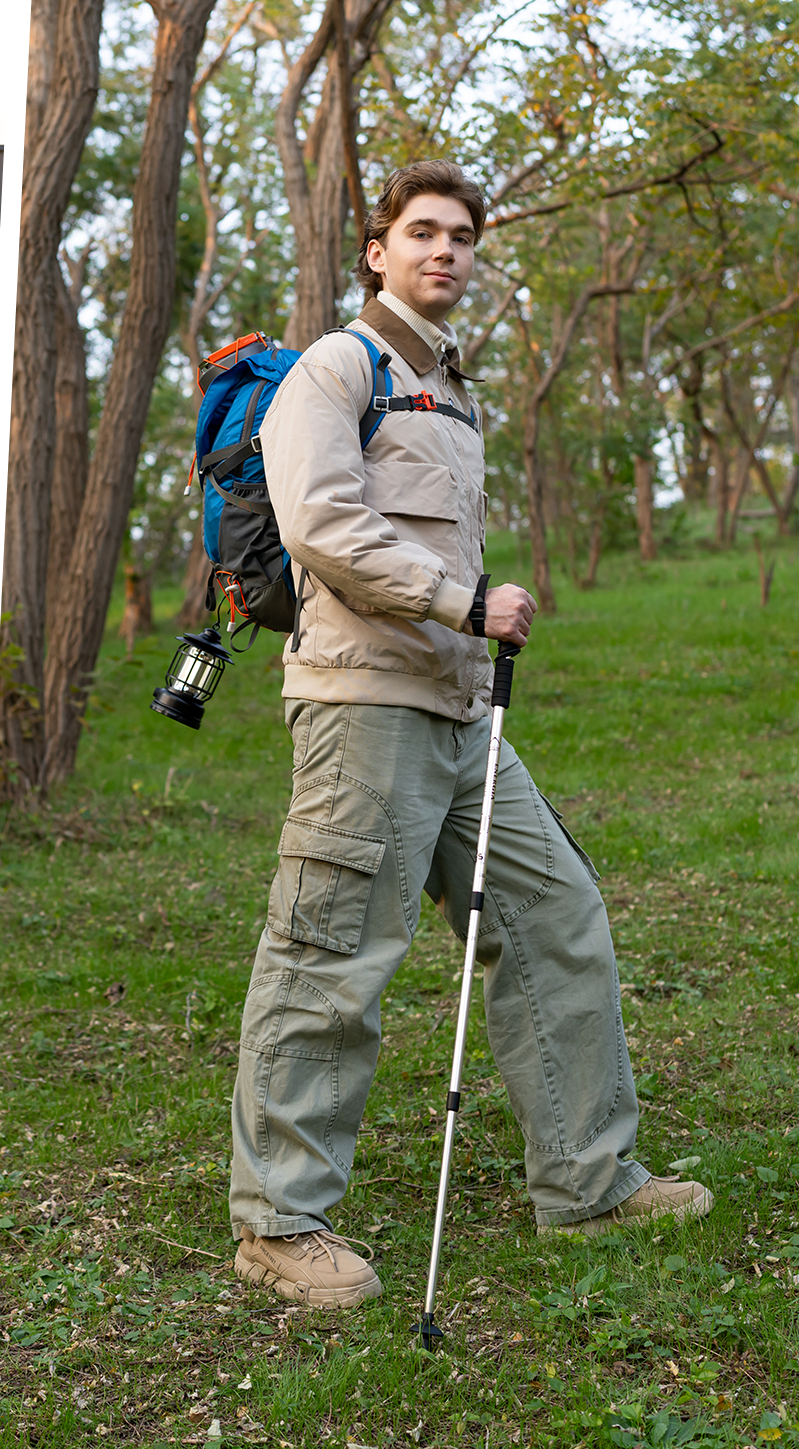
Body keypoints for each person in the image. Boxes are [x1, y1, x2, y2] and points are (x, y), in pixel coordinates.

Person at [227, 159, 711, 1308]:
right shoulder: (335, 369)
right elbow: (322, 524)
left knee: (554, 916)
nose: (445, 251)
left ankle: (588, 1181)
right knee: (333, 952)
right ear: (376, 251)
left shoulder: (451, 388)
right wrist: (459, 603)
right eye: (422, 232)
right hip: (364, 703)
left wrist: (467, 618)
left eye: (460, 238)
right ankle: (280, 1222)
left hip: (459, 712)